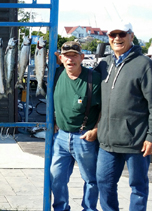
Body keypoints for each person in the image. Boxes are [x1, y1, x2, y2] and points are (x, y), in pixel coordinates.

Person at [95, 22, 152, 211]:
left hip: (136, 140)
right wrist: (65, 63)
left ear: (131, 36)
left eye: (122, 34)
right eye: (113, 35)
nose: (117, 38)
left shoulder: (144, 64)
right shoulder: (104, 63)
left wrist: (151, 137)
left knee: (138, 187)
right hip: (107, 141)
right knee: (104, 183)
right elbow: (84, 81)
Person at [50, 41, 101, 211]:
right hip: (61, 136)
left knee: (90, 179)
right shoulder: (56, 74)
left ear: (82, 57)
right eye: (66, 56)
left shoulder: (93, 79)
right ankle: (61, 208)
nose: (70, 59)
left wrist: (95, 130)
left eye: (74, 55)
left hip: (84, 137)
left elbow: (105, 108)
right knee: (56, 177)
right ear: (61, 58)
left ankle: (89, 208)